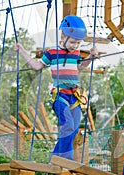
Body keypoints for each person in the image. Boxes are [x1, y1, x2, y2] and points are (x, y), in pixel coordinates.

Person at [15, 15, 98, 160]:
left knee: (74, 129)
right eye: (73, 42)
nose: (75, 46)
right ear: (63, 36)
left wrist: (91, 57)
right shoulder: (52, 52)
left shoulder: (76, 53)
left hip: (75, 96)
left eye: (78, 43)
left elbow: (79, 68)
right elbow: (36, 66)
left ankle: (61, 157)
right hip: (60, 95)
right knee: (68, 125)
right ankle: (61, 158)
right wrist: (22, 51)